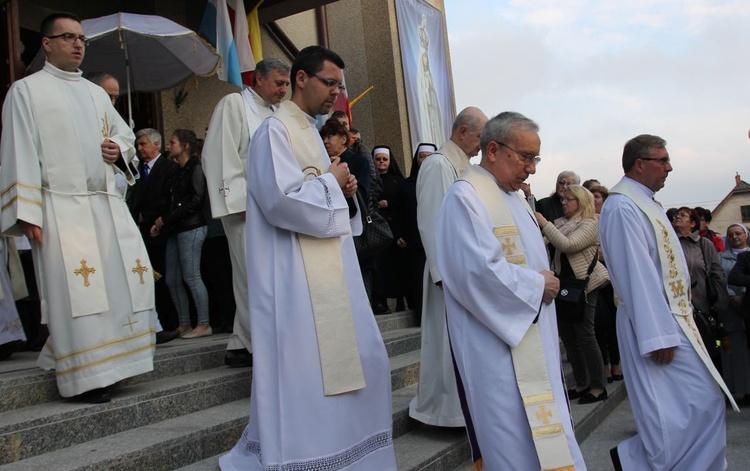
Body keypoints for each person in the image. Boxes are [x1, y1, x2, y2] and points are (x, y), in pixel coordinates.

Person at [219, 45, 396, 470]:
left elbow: (319, 197)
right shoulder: (274, 131)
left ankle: (343, 448)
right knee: (306, 369)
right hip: (294, 277)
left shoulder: (308, 132)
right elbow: (281, 201)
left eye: (340, 84)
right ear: (301, 78)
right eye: (329, 82)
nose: (337, 92)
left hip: (330, 274)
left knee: (363, 357)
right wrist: (333, 184)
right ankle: (305, 453)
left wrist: (344, 191)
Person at [0, 12, 157, 403]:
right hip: (60, 209)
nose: (77, 44)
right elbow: (19, 150)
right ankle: (86, 376)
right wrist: (27, 210)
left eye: (81, 38)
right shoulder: (26, 91)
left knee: (118, 286)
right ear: (47, 44)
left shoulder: (95, 94)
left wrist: (118, 150)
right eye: (67, 37)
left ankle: (116, 365)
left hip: (104, 206)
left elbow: (123, 136)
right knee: (77, 294)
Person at [435, 111, 584, 469]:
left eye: (535, 158)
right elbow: (476, 273)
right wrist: (538, 285)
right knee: (513, 445)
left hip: (532, 336)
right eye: (526, 157)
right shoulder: (465, 198)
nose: (531, 168)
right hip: (496, 350)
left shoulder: (515, 198)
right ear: (493, 150)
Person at [600, 134, 736, 470]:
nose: (669, 167)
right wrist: (657, 335)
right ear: (640, 164)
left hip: (672, 319)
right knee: (669, 414)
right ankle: (636, 462)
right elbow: (638, 275)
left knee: (702, 403)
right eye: (663, 160)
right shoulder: (622, 207)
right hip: (654, 325)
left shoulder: (645, 202)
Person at [202, 58, 290, 367]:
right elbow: (220, 153)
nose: (283, 89)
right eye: (278, 83)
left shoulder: (278, 114)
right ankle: (263, 346)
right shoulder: (234, 105)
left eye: (286, 84)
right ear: (260, 79)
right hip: (245, 209)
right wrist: (238, 204)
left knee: (263, 277)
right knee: (252, 276)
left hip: (276, 210)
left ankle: (241, 343)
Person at [411, 106, 487, 427]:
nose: (483, 145)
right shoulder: (439, 165)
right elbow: (431, 222)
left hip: (466, 271)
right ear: (463, 131)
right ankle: (442, 412)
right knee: (446, 345)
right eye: (481, 136)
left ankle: (463, 410)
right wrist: (443, 275)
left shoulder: (464, 167)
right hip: (449, 275)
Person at [535, 184, 610, 403]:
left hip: (585, 286)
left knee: (586, 336)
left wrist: (543, 222)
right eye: (563, 200)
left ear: (581, 202)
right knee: (569, 338)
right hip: (565, 286)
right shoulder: (561, 223)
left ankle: (598, 386)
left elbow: (568, 244)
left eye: (569, 199)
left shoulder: (590, 224)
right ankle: (581, 383)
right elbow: (546, 243)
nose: (564, 203)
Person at [151, 130, 210, 339]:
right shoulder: (177, 171)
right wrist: (162, 221)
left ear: (185, 145)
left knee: (191, 276)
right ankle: (184, 322)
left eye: (173, 142)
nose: (169, 145)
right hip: (176, 229)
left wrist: (166, 219)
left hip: (191, 228)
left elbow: (196, 200)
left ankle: (204, 323)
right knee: (172, 279)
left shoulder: (195, 169)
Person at [128, 128, 180, 342]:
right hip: (141, 232)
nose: (139, 149)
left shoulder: (169, 168)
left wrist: (150, 217)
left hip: (159, 230)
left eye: (143, 144)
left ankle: (169, 322)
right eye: (138, 145)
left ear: (156, 144)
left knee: (161, 277)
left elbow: (167, 199)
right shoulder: (137, 170)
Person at [589, 184, 622, 383]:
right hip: (594, 276)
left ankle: (616, 364)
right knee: (599, 323)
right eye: (590, 197)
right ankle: (604, 366)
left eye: (597, 196)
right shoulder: (585, 221)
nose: (594, 201)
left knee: (613, 323)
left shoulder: (611, 219)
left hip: (612, 274)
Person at [401, 143, 436, 318]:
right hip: (414, 240)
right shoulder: (407, 184)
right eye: (422, 156)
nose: (426, 160)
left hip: (436, 240)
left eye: (430, 156)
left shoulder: (441, 181)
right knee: (417, 279)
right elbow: (401, 212)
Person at [371, 146, 407, 313]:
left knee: (398, 268)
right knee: (380, 269)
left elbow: (402, 204)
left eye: (384, 159)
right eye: (378, 159)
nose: (381, 162)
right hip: (376, 231)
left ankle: (401, 301)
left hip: (395, 230)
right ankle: (381, 302)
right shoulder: (370, 180)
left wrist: (389, 203)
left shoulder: (397, 181)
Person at [720, 223, 750, 403]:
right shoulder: (721, 257)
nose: (735, 237)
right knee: (737, 353)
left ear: (746, 235)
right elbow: (721, 280)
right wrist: (732, 296)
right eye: (730, 235)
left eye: (738, 233)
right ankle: (741, 389)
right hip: (733, 308)